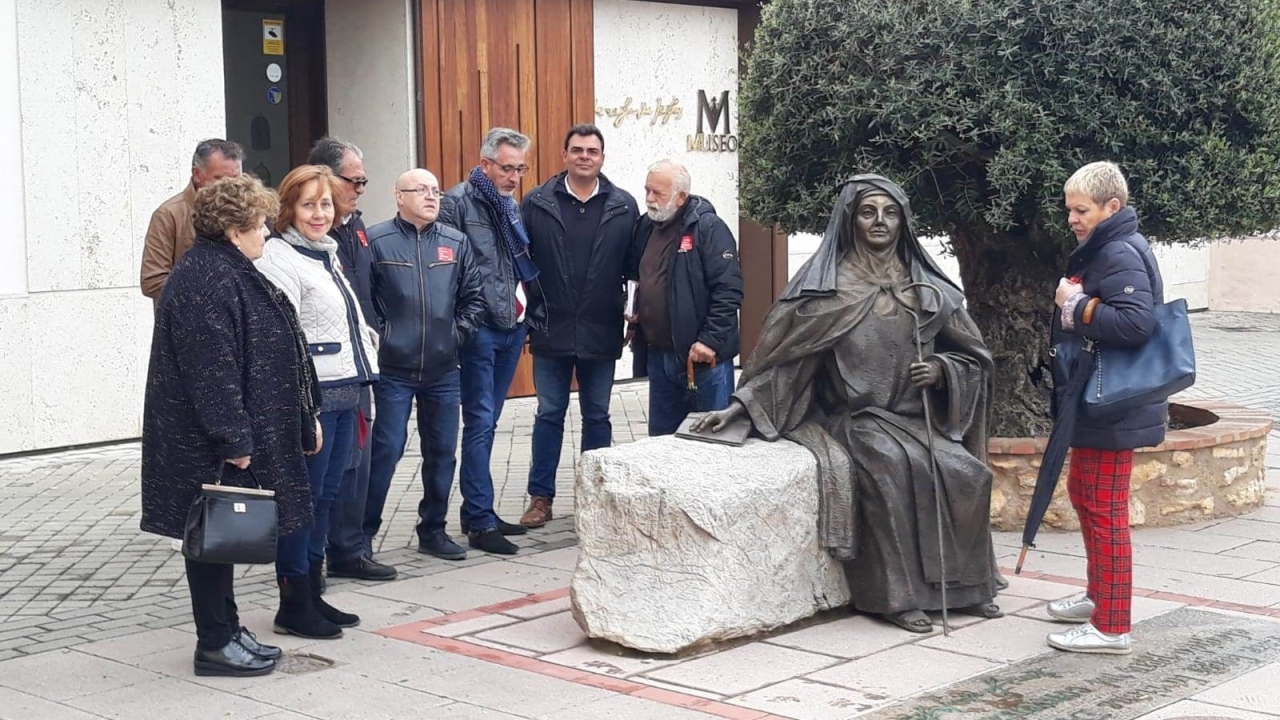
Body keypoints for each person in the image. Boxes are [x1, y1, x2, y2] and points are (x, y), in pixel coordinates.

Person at [694, 174, 1003, 634]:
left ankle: (969, 587)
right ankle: (896, 597)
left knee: (966, 472)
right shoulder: (829, 288)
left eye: (890, 212)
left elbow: (973, 357)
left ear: (903, 221)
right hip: (855, 420)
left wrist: (941, 371)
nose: (880, 221)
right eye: (868, 212)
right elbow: (788, 363)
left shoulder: (924, 286)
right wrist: (739, 407)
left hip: (917, 418)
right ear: (850, 220)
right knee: (890, 469)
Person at [140, 174, 315, 677]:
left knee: (220, 538)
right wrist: (234, 438)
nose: (267, 233)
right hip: (210, 444)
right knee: (212, 537)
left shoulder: (226, 267)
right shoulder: (206, 278)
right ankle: (214, 643)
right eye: (261, 224)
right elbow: (210, 370)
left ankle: (228, 629)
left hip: (229, 436)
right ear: (235, 230)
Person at [1044, 162, 1165, 655]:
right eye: (1069, 209)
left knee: (1103, 509)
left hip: (1112, 403)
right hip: (1101, 399)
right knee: (1086, 496)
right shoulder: (1111, 246)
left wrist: (1075, 305)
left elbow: (1137, 324)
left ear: (1111, 207)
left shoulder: (1117, 250)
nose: (1072, 218)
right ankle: (1099, 598)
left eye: (1081, 209)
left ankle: (1111, 626)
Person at [255, 165, 379, 639]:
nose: (319, 213)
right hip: (315, 399)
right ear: (290, 207)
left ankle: (312, 589)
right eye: (308, 204)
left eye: (325, 203)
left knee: (326, 498)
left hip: (348, 390)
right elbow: (280, 337)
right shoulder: (279, 256)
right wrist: (303, 409)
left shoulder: (328, 253)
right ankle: (292, 601)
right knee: (301, 501)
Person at [517, 124, 639, 527]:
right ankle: (541, 498)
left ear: (602, 157)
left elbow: (638, 269)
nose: (585, 156)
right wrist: (524, 317)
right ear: (565, 155)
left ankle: (595, 496)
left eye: (593, 150)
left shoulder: (624, 205)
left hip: (601, 328)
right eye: (577, 150)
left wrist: (637, 315)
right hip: (550, 326)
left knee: (598, 416)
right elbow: (520, 265)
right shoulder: (536, 203)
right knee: (549, 414)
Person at [364, 169, 486, 561]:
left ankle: (433, 530)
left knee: (442, 452)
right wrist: (385, 338)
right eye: (422, 191)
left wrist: (453, 336)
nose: (432, 197)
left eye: (436, 191)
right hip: (392, 371)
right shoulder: (376, 240)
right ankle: (360, 538)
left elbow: (474, 299)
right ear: (399, 196)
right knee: (385, 451)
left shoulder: (455, 241)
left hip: (443, 370)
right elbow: (365, 302)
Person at [438, 127, 540, 555]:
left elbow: (515, 267)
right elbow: (449, 271)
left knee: (490, 422)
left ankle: (479, 507)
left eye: (520, 168)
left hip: (511, 327)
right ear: (485, 165)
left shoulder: (508, 205)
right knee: (479, 423)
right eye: (507, 167)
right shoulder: (458, 203)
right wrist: (469, 322)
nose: (514, 176)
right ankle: (479, 521)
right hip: (480, 330)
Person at [306, 138, 395, 582]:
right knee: (327, 469)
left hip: (360, 366)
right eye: (354, 180)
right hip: (324, 374)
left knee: (357, 463)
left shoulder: (356, 227)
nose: (360, 188)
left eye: (364, 181)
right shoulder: (305, 236)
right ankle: (310, 562)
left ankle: (349, 549)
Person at [630, 159, 743, 436]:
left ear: (681, 197)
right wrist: (635, 315)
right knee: (662, 443)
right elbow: (639, 277)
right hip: (659, 356)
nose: (649, 199)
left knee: (709, 443)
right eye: (647, 190)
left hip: (703, 359)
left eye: (658, 193)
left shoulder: (708, 228)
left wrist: (710, 340)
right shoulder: (645, 227)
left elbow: (729, 289)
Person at [140, 139, 244, 303]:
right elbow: (152, 282)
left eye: (235, 178)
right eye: (219, 179)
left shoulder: (247, 211)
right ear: (197, 175)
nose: (229, 187)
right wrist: (211, 290)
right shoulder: (168, 215)